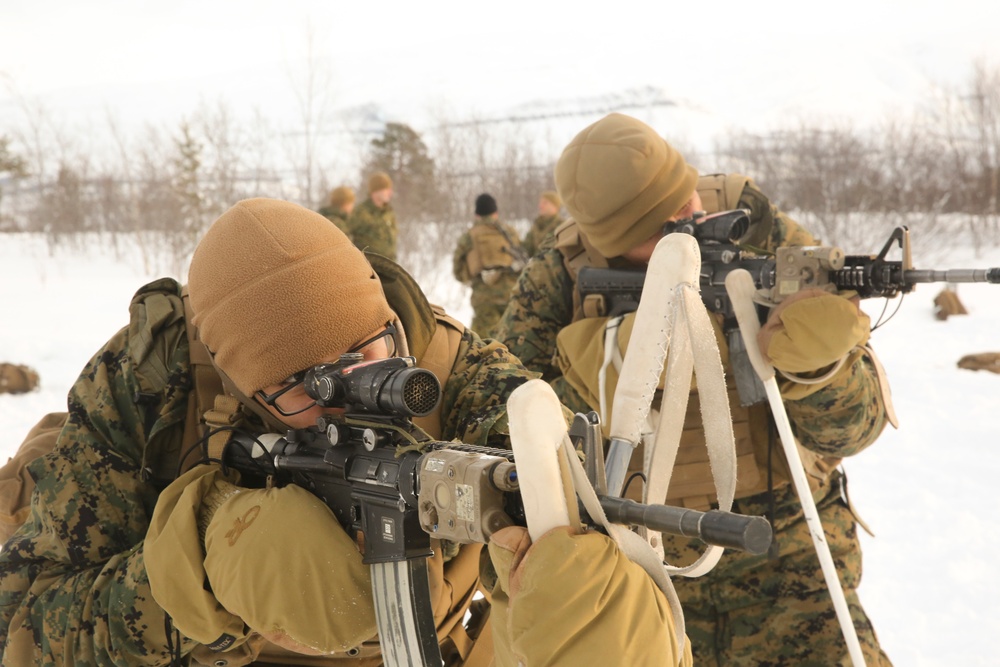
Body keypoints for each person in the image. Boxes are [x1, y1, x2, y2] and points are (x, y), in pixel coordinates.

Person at [0, 197, 690, 666]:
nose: (352, 387)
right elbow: (26, 621)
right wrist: (200, 579)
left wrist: (587, 580)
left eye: (369, 350)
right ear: (243, 391)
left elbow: (535, 461)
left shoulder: (447, 360)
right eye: (304, 386)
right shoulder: (146, 389)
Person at [494, 112, 894, 666]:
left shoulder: (755, 227)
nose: (694, 222)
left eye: (687, 199)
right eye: (665, 226)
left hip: (790, 560)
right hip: (641, 572)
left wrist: (821, 372)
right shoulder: (559, 276)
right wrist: (610, 364)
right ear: (611, 246)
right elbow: (505, 433)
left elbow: (855, 429)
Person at [452, 193, 526, 337]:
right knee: (511, 341)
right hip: (511, 295)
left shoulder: (470, 235)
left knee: (483, 347)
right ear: (496, 213)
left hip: (484, 298)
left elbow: (458, 271)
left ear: (476, 214)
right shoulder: (510, 232)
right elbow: (522, 257)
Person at [348, 171, 398, 261]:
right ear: (376, 191)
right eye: (386, 189)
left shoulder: (389, 213)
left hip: (388, 266)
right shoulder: (361, 212)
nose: (390, 193)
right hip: (368, 267)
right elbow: (347, 236)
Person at [521, 190, 564, 258]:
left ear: (555, 206)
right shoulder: (537, 225)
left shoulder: (562, 226)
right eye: (540, 203)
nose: (540, 206)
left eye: (545, 203)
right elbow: (526, 248)